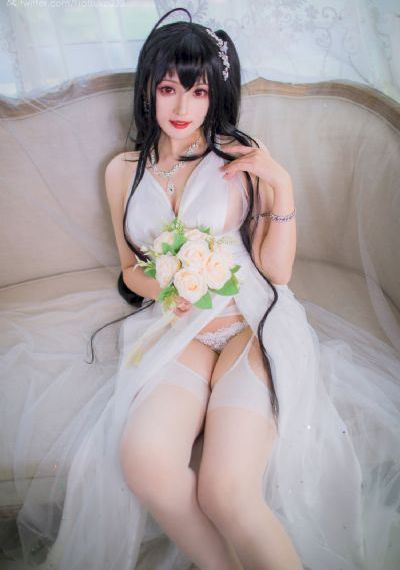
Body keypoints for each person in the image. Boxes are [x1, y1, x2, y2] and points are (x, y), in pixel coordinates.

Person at [16, 7, 399, 570]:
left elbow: (276, 273)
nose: (181, 108)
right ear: (148, 88)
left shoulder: (238, 156)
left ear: (215, 93)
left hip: (250, 323)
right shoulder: (123, 170)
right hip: (179, 328)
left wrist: (283, 186)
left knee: (226, 490)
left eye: (197, 92)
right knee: (145, 463)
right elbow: (130, 269)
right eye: (169, 89)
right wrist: (168, 285)